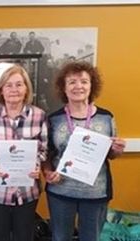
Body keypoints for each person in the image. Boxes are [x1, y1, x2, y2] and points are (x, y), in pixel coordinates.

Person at [42, 61, 126, 241]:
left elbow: (111, 154)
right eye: (72, 82)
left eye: (84, 81)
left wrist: (117, 150)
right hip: (61, 191)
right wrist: (48, 172)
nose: (78, 86)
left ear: (91, 86)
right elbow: (47, 154)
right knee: (60, 237)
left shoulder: (106, 117)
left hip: (96, 192)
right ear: (63, 88)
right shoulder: (54, 119)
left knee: (91, 238)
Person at [0, 65, 48, 241]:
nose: (14, 90)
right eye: (8, 85)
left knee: (24, 236)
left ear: (26, 89)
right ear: (1, 89)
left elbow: (44, 149)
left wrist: (36, 164)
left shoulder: (39, 116)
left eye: (19, 84)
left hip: (27, 191)